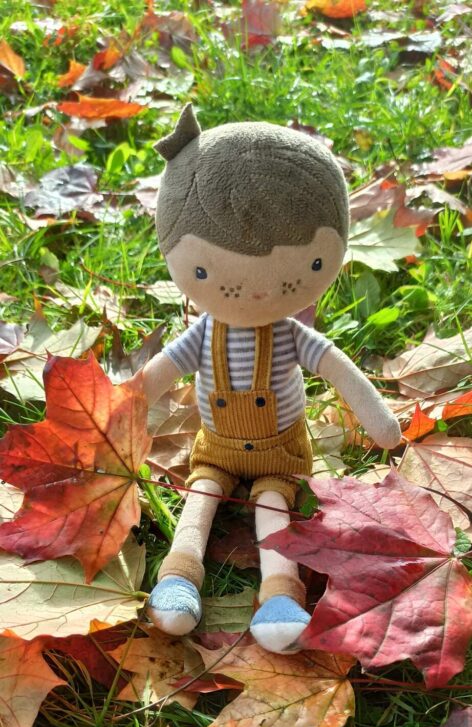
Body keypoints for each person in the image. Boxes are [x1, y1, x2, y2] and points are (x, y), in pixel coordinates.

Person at [131, 105, 401, 653]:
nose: (256, 292)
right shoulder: (202, 336)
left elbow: (336, 367)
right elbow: (155, 377)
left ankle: (281, 593)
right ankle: (178, 575)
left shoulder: (291, 336)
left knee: (273, 507)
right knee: (200, 497)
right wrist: (123, 406)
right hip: (216, 450)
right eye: (205, 271)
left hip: (280, 454)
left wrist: (380, 422)